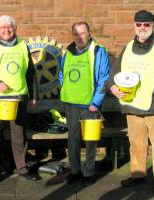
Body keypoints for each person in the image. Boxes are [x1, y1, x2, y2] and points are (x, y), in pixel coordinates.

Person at [109, 10, 154, 193]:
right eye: (139, 24)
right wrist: (112, 86)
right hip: (132, 105)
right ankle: (138, 176)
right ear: (134, 26)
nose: (142, 28)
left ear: (152, 26)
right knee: (137, 144)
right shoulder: (128, 46)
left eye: (146, 24)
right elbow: (115, 71)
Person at [0, 15, 39, 183]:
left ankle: (22, 168)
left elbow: (30, 72)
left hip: (19, 98)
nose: (6, 30)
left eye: (9, 27)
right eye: (2, 27)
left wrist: (34, 94)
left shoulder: (23, 45)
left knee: (19, 135)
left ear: (15, 28)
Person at [59, 21, 110, 184]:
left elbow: (104, 79)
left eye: (82, 33)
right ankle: (75, 170)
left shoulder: (98, 51)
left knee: (90, 141)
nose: (79, 37)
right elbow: (62, 74)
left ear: (89, 34)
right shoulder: (68, 52)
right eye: (76, 34)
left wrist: (96, 102)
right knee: (73, 139)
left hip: (90, 105)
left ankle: (88, 172)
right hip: (71, 103)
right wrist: (65, 90)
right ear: (72, 35)